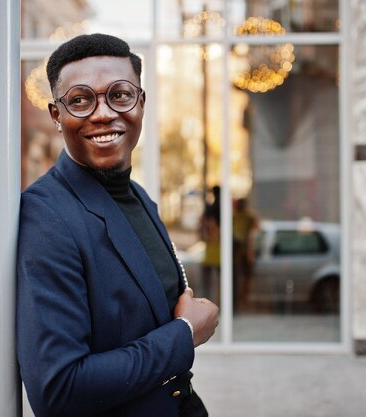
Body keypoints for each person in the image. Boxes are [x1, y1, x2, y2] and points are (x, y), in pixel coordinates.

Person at [16, 33, 219, 417]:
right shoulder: (46, 216)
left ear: (140, 103)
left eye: (120, 95)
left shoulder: (141, 197)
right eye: (80, 100)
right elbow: (59, 389)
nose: (104, 112)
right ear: (56, 115)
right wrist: (185, 335)